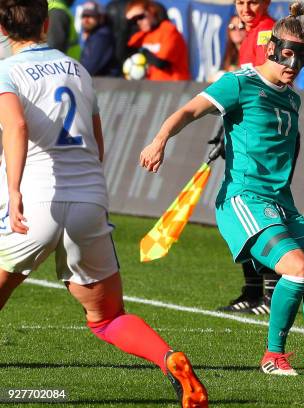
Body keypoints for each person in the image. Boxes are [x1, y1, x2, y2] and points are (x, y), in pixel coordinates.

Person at [140, 2, 304, 380]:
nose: (293, 64)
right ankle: (273, 356)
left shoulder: (291, 98)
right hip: (244, 198)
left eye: (300, 58)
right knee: (297, 268)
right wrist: (159, 140)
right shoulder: (238, 83)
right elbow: (189, 111)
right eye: (287, 55)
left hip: (280, 200)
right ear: (271, 49)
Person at [0, 2, 207, 407]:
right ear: (46, 23)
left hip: (35, 199)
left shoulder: (7, 70)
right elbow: (96, 140)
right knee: (108, 318)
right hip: (89, 199)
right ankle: (169, 360)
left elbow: (17, 126)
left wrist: (14, 191)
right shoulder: (78, 70)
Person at [216, 0, 279, 315]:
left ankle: (269, 293)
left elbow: (264, 87)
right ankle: (253, 290)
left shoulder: (267, 31)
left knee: (258, 211)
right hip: (245, 135)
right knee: (239, 209)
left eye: (253, 1)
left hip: (261, 140)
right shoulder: (254, 33)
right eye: (240, 1)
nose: (246, 8)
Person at [125, 0, 190, 81]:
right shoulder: (141, 36)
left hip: (174, 86)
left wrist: (143, 51)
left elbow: (161, 63)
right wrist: (126, 24)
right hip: (151, 88)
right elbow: (123, 54)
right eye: (134, 20)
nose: (138, 22)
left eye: (141, 17)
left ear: (151, 11)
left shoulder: (169, 30)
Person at [80, 1, 121, 77]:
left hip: (105, 86)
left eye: (90, 16)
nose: (86, 20)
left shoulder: (102, 37)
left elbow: (89, 69)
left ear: (101, 18)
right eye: (84, 16)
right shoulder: (95, 35)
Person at [207, 15, 247, 82]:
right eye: (232, 27)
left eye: (241, 27)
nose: (237, 30)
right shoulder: (230, 53)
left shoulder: (251, 51)